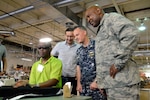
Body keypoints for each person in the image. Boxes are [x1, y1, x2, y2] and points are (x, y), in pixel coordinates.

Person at [85, 5, 140, 100]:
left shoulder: (111, 19)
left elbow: (131, 34)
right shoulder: (101, 29)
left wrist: (118, 63)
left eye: (89, 16)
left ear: (98, 11)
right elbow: (104, 59)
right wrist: (102, 83)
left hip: (123, 85)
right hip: (112, 85)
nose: (88, 20)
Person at [73, 26, 107, 100]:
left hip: (97, 87)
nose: (75, 38)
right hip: (84, 88)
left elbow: (104, 65)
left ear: (84, 32)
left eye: (77, 35)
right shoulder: (79, 50)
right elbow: (78, 67)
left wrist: (97, 81)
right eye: (74, 36)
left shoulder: (97, 46)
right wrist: (78, 83)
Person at [51, 27, 80, 95]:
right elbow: (52, 56)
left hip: (73, 77)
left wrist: (78, 74)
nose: (69, 38)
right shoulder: (59, 45)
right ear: (65, 36)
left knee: (73, 96)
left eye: (71, 36)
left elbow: (80, 62)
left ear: (74, 36)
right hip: (62, 76)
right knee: (62, 95)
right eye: (67, 36)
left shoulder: (78, 47)